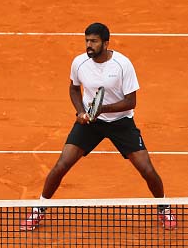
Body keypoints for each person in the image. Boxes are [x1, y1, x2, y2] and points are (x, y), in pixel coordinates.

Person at [20, 22, 177, 231]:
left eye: (93, 41)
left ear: (105, 43)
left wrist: (102, 109)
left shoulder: (123, 65)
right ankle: (38, 210)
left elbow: (131, 102)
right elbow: (74, 89)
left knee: (146, 169)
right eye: (86, 40)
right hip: (91, 123)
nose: (89, 45)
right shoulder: (79, 63)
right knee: (61, 165)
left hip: (121, 123)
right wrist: (80, 112)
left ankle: (164, 208)